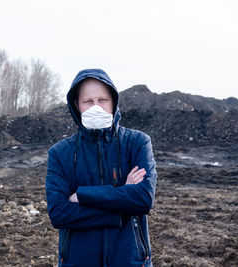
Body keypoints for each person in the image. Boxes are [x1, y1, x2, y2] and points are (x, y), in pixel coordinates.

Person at [45, 68, 157, 267]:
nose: (96, 107)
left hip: (130, 260)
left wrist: (82, 196)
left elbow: (143, 199)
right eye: (88, 101)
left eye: (102, 100)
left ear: (113, 102)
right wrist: (121, 207)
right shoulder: (60, 153)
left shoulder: (137, 143)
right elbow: (59, 213)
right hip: (78, 261)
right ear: (76, 105)